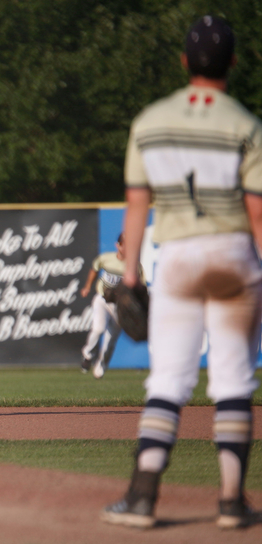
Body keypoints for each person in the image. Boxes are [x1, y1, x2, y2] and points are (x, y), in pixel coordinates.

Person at [101, 15, 262, 529]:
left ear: (183, 61)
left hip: (177, 258)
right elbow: (258, 212)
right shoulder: (247, 124)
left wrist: (131, 277)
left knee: (168, 379)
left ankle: (143, 496)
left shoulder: (150, 121)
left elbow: (135, 206)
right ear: (233, 63)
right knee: (234, 378)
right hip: (233, 254)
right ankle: (233, 501)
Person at [79, 233, 145, 379]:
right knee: (98, 329)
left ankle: (101, 366)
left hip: (120, 307)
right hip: (102, 299)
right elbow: (95, 267)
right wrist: (87, 286)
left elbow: (141, 286)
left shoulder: (135, 266)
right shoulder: (106, 258)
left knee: (110, 341)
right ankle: (87, 354)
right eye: (125, 245)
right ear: (118, 246)